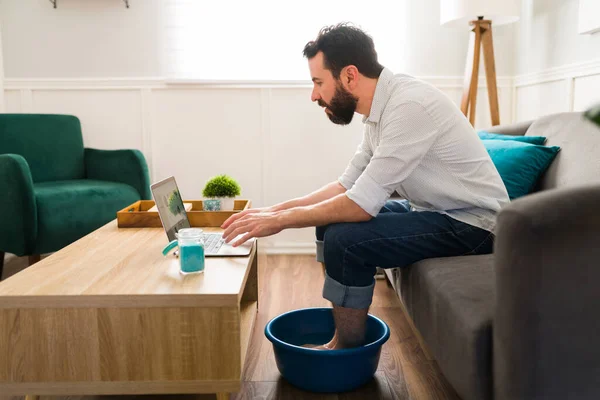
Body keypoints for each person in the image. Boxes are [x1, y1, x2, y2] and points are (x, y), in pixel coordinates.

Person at [222, 23, 509, 350]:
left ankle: (346, 350)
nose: (314, 94)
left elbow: (360, 205)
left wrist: (279, 222)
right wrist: (274, 210)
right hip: (437, 211)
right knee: (328, 222)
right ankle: (342, 308)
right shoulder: (380, 111)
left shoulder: (408, 106)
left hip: (475, 225)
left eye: (318, 82)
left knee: (345, 240)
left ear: (349, 76)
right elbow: (347, 185)